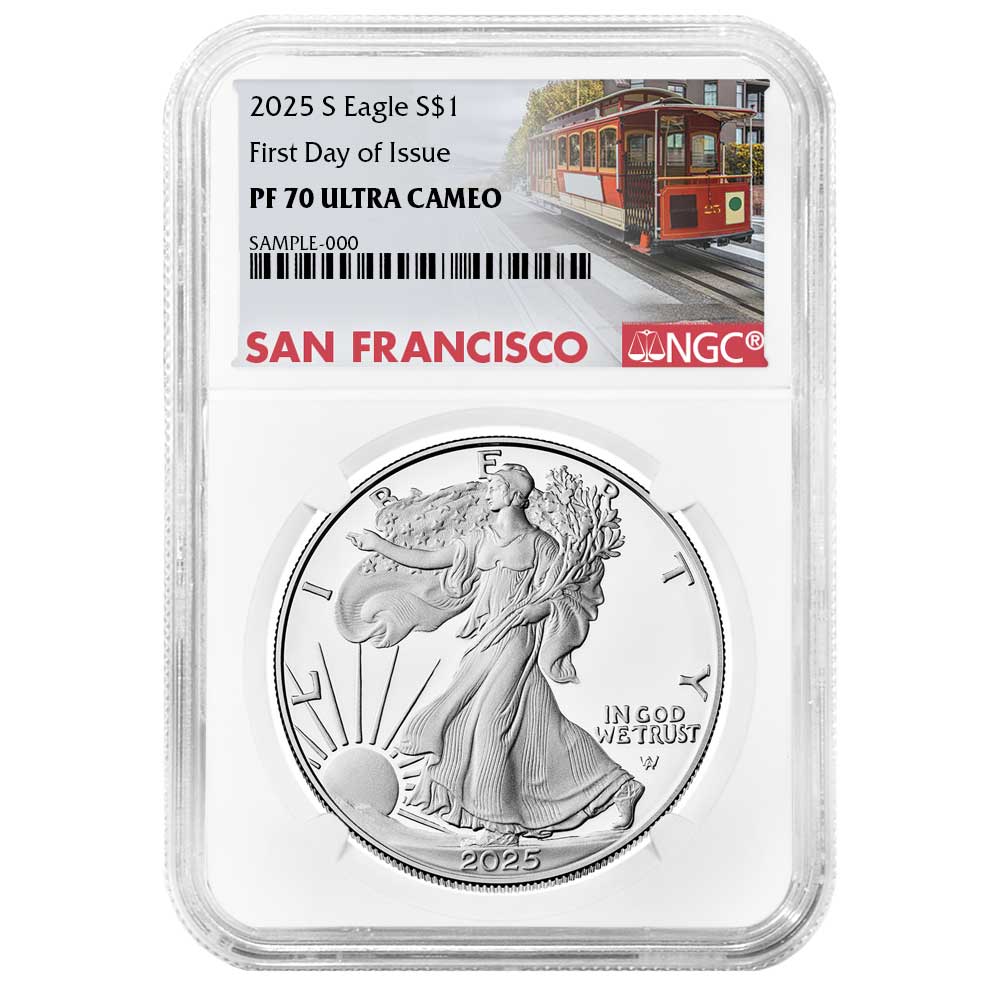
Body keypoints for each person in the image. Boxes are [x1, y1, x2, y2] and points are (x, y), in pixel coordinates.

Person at [346, 463, 643, 846]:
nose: (488, 492)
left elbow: (564, 593)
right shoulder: (479, 539)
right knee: (540, 725)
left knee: (489, 724)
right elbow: (429, 558)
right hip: (486, 639)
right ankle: (620, 786)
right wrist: (378, 545)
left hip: (516, 639)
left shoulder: (540, 544)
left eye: (495, 486)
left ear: (514, 495)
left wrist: (537, 609)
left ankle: (501, 827)